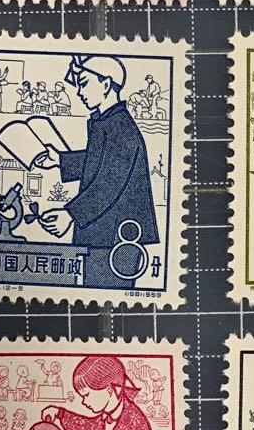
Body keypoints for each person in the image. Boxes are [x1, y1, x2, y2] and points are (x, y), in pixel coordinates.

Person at [31, 55, 160, 289]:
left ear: (106, 84)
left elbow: (109, 183)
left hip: (114, 237)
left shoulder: (120, 127)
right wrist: (61, 161)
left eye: (84, 83)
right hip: (104, 232)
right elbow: (101, 160)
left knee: (106, 292)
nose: (79, 92)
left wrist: (71, 215)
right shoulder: (110, 121)